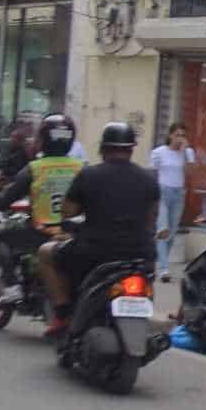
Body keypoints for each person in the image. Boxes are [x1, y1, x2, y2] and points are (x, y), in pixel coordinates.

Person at [37, 121, 163, 337]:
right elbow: (151, 221)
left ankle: (62, 313)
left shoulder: (88, 175)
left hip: (94, 253)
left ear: (103, 148)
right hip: (141, 255)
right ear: (131, 149)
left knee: (45, 253)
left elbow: (67, 213)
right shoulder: (149, 180)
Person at [148, 122, 196, 282]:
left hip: (178, 193)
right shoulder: (159, 152)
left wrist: (184, 154)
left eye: (183, 135)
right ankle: (163, 269)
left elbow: (190, 174)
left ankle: (161, 262)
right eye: (177, 135)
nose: (180, 139)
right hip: (162, 191)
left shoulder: (188, 153)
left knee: (173, 232)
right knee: (163, 229)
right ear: (170, 136)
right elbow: (153, 173)